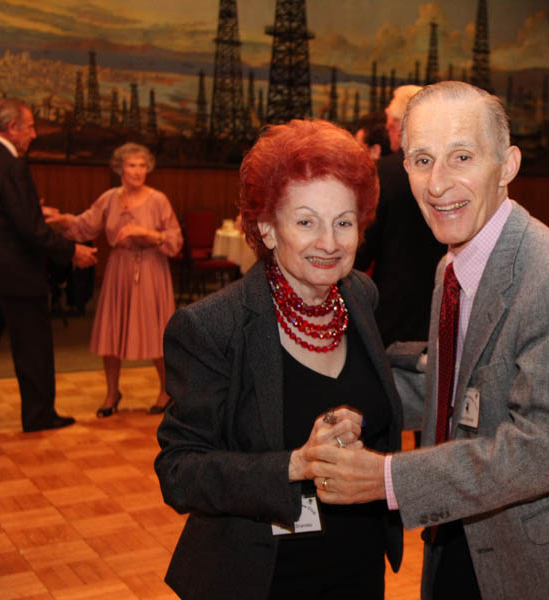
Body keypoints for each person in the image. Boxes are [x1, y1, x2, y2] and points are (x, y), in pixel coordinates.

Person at [308, 82, 549, 599]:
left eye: (461, 156)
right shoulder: (452, 267)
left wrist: (389, 479)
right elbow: (458, 392)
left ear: (507, 165)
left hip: (546, 563)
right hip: (463, 536)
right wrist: (353, 399)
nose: (438, 183)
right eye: (421, 160)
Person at [154, 120, 404, 599]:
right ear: (267, 229)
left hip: (359, 563)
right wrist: (295, 464)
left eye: (344, 222)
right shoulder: (213, 327)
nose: (329, 243)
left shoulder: (359, 297)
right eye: (306, 221)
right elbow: (180, 471)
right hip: (263, 575)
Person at [46, 143, 183, 416]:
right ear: (120, 168)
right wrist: (59, 219)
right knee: (112, 331)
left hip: (151, 269)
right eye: (132, 165)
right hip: (119, 269)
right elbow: (84, 225)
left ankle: (165, 391)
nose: (138, 171)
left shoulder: (158, 200)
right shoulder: (109, 198)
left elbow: (175, 241)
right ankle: (112, 393)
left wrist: (146, 233)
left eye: (142, 166)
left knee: (156, 331)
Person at [0, 98, 97, 433]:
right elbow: (30, 230)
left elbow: (14, 217)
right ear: (12, 129)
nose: (35, 135)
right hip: (17, 274)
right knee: (33, 348)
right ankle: (39, 415)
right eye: (29, 127)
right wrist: (72, 252)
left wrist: (31, 213)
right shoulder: (11, 165)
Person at [354, 84, 446, 348]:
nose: (389, 130)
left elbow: (361, 250)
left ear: (401, 126)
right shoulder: (449, 172)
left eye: (390, 124)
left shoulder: (382, 174)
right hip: (445, 308)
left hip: (394, 310)